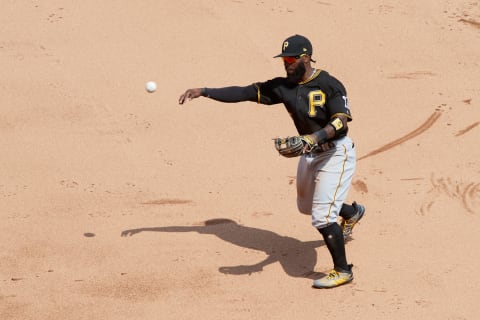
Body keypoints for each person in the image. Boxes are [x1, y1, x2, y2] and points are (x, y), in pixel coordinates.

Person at [178, 34, 365, 289]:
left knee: (321, 217)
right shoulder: (284, 86)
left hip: (336, 153)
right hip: (310, 153)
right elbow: (244, 92)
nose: (286, 64)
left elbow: (340, 121)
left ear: (306, 57)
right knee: (306, 206)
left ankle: (343, 271)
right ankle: (352, 212)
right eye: (284, 59)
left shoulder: (330, 84)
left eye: (290, 59)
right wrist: (206, 91)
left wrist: (313, 137)